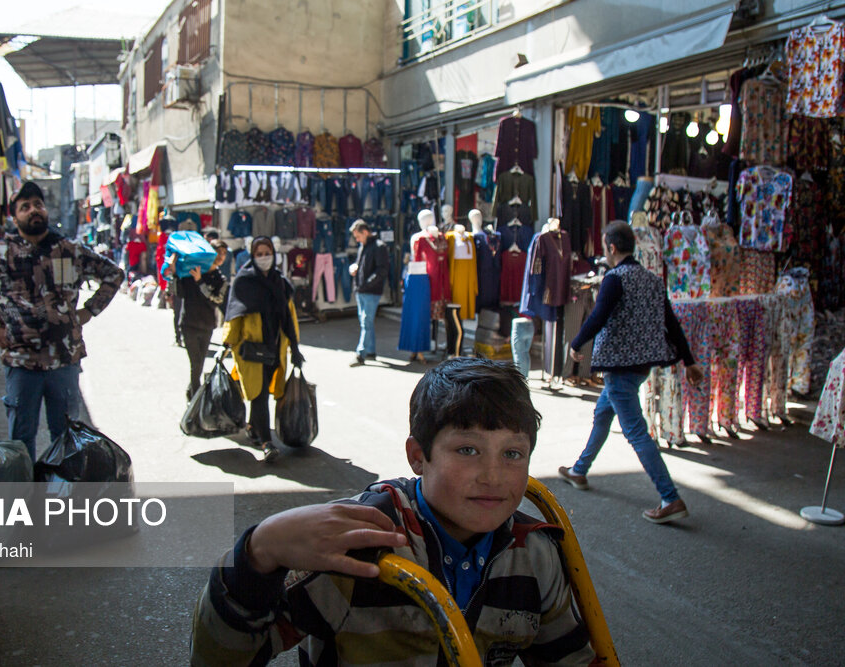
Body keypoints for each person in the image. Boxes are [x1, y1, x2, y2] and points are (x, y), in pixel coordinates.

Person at [190, 358, 597, 664]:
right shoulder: (355, 546)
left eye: (513, 453)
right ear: (418, 457)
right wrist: (258, 552)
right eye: (467, 450)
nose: (492, 476)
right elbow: (223, 656)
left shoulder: (534, 555)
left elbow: (567, 657)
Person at [0, 181, 124, 460]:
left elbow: (114, 274)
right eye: (25, 207)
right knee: (21, 439)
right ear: (14, 216)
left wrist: (89, 311)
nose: (34, 210)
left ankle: (62, 495)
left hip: (64, 360)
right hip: (20, 362)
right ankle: (27, 498)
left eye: (38, 204)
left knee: (66, 437)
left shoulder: (70, 250)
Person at [558, 220, 703, 524]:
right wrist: (689, 361)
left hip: (618, 367)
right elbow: (671, 323)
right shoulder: (652, 279)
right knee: (602, 414)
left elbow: (599, 316)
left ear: (611, 247)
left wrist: (577, 341)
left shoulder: (615, 278)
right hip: (641, 366)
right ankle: (578, 471)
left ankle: (670, 497)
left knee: (636, 432)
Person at [222, 237, 304, 463]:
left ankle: (252, 426)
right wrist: (227, 342)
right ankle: (267, 442)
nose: (264, 257)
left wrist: (295, 347)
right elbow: (234, 315)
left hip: (275, 349)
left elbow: (288, 318)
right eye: (259, 254)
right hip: (250, 349)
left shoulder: (281, 282)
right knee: (258, 395)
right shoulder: (243, 282)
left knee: (264, 392)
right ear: (252, 256)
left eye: (267, 252)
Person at [165, 240, 229, 401]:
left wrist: (200, 281)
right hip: (189, 324)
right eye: (217, 252)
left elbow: (216, 300)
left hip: (207, 326)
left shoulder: (220, 279)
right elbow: (178, 293)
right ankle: (196, 401)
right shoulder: (191, 272)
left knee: (198, 364)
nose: (220, 257)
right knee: (196, 365)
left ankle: (191, 394)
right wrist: (174, 271)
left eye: (224, 254)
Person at [348, 219, 389, 367]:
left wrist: (366, 284)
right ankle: (370, 351)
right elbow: (361, 264)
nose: (357, 240)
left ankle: (361, 353)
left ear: (365, 232)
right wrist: (354, 268)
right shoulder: (363, 246)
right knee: (366, 322)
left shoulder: (379, 246)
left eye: (358, 236)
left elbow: (382, 270)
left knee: (366, 321)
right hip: (362, 290)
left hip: (370, 291)